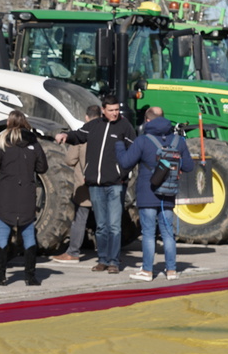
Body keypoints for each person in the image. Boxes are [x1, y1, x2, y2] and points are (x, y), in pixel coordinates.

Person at [55, 95, 136, 274]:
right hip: (95, 185)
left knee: (114, 225)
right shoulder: (94, 126)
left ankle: (114, 261)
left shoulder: (125, 127)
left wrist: (123, 173)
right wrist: (65, 136)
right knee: (101, 226)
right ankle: (103, 260)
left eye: (117, 110)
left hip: (116, 184)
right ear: (103, 110)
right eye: (111, 110)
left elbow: (134, 152)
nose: (115, 113)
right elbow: (78, 136)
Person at [116, 107, 195, 281]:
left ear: (147, 120)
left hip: (147, 192)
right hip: (168, 193)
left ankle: (147, 271)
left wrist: (120, 145)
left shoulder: (143, 140)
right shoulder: (178, 141)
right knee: (168, 233)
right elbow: (189, 167)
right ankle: (172, 270)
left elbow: (125, 163)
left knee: (149, 234)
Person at [0, 110, 48, 286]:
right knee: (28, 235)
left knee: (2, 236)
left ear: (8, 123)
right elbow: (43, 167)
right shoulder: (34, 142)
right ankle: (30, 276)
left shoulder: (2, 142)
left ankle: (1, 276)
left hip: (6, 194)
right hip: (27, 195)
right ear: (25, 123)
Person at [52, 105, 101, 266]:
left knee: (80, 217)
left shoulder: (83, 134)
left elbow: (69, 160)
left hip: (84, 182)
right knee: (104, 220)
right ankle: (107, 254)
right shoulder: (105, 132)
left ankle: (73, 252)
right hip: (104, 182)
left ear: (87, 117)